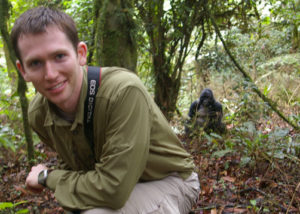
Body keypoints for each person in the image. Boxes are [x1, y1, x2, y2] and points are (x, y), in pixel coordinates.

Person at [11, 6, 200, 214]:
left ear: (80, 54)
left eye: (59, 56)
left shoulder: (123, 92)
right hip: (115, 184)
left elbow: (113, 190)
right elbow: (72, 165)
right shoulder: (39, 114)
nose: (50, 74)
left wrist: (48, 177)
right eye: (36, 63)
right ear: (23, 71)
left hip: (170, 180)